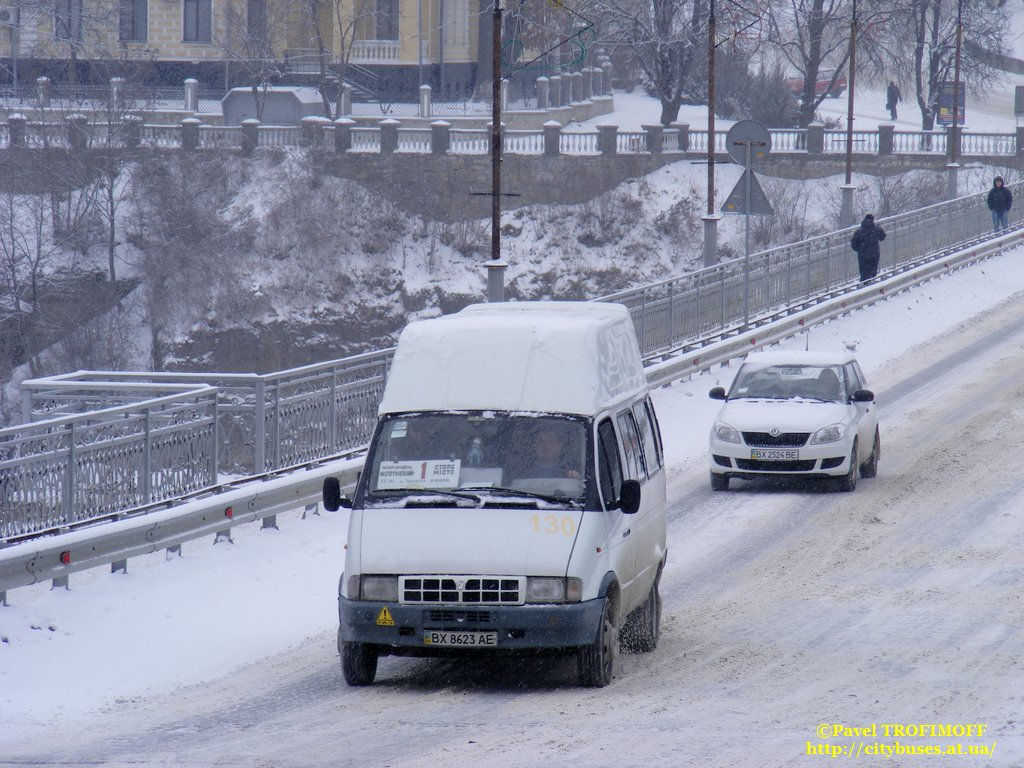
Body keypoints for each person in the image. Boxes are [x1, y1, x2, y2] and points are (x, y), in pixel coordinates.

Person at [851, 213, 887, 282]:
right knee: (872, 271)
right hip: (874, 254)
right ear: (873, 220)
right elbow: (883, 237)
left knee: (863, 272)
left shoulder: (858, 231)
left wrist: (860, 250)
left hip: (862, 255)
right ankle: (872, 283)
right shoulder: (877, 229)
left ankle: (864, 285)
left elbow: (854, 244)